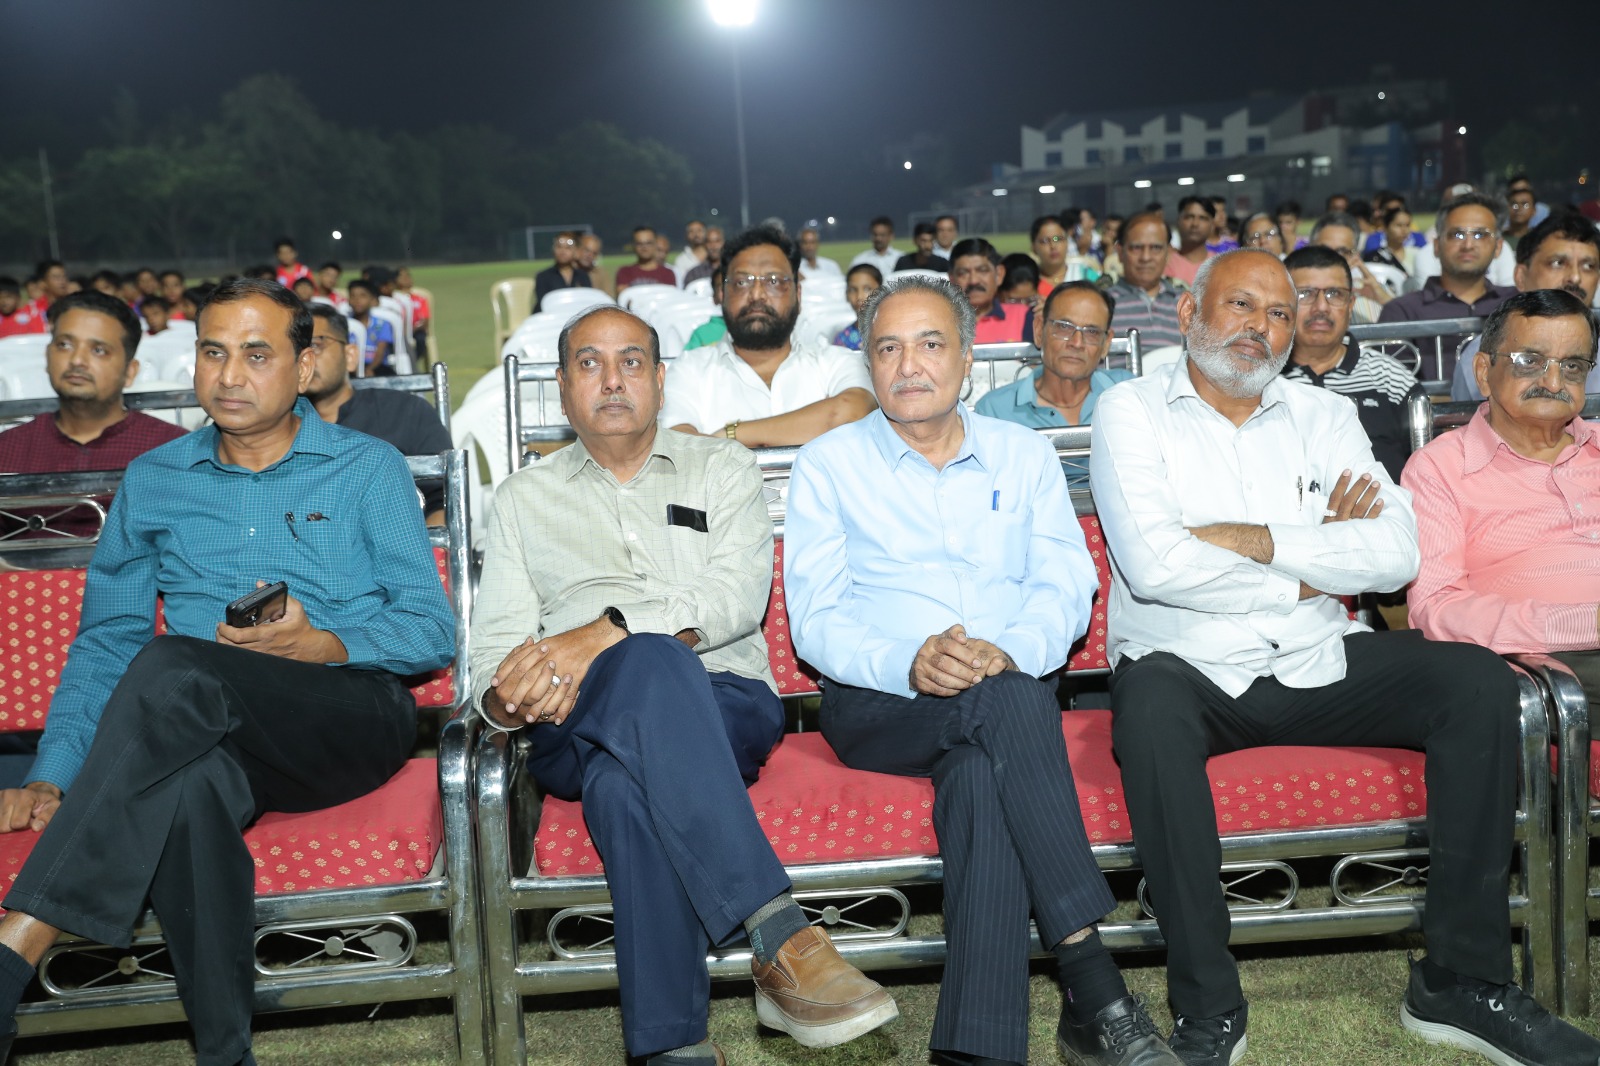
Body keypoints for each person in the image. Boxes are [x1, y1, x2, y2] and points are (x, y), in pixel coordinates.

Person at [1089, 248, 1597, 1066]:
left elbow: (1396, 555)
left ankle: (1459, 982)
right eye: (1242, 305)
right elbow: (1155, 566)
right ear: (1188, 314)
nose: (1261, 327)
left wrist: (1250, 541)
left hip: (1318, 655)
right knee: (1146, 709)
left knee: (1473, 680)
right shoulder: (1131, 410)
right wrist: (1312, 560)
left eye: (1279, 314)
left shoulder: (1320, 415)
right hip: (1185, 665)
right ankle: (1208, 1006)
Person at [0, 278, 456, 1066]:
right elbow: (106, 642)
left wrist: (324, 644)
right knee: (188, 784)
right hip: (207, 731)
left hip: (350, 715)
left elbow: (430, 629)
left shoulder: (366, 467)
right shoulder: (155, 479)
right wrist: (51, 773)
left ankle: (18, 942)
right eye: (213, 352)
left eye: (256, 354)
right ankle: (225, 1053)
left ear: (304, 367)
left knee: (176, 663)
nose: (229, 375)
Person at [469, 304, 897, 1064]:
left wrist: (606, 631)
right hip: (572, 716)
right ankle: (779, 934)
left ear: (661, 381)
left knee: (624, 774)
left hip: (723, 699)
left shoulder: (721, 468)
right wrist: (512, 694)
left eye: (631, 362)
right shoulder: (521, 499)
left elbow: (733, 598)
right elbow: (492, 662)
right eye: (590, 364)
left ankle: (673, 1049)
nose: (612, 380)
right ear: (561, 386)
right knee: (645, 672)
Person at [785, 273, 1182, 1066]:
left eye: (930, 344)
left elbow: (1065, 582)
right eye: (888, 348)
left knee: (978, 773)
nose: (909, 365)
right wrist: (909, 661)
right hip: (880, 703)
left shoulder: (1020, 454)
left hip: (1001, 700)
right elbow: (817, 618)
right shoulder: (828, 465)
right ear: (868, 363)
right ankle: (1094, 985)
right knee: (1013, 705)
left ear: (968, 360)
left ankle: (975, 1049)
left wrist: (1013, 651)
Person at [1409, 291, 1600, 711]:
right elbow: (1437, 611)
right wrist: (1585, 623)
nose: (1554, 383)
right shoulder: (1440, 468)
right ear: (1483, 371)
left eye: (1572, 366)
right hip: (1543, 666)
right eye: (1529, 361)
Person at [661, 226, 875, 447]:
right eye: (742, 282)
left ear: (798, 295)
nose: (757, 295)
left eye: (773, 281)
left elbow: (852, 413)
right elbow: (679, 446)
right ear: (722, 295)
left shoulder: (837, 362)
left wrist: (732, 433)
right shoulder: (690, 369)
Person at [0, 290, 188, 540]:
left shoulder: (176, 452)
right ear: (47, 356)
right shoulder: (7, 450)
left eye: (98, 350)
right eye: (64, 345)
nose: (77, 360)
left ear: (130, 372)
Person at [1280, 246, 1420, 481]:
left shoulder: (1390, 379)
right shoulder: (1264, 380)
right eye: (1305, 294)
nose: (1321, 307)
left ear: (1351, 303)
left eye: (1335, 294)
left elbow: (1424, 468)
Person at [303, 305, 451, 524]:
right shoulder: (271, 428)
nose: (304, 359)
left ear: (350, 355)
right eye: (294, 349)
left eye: (316, 345)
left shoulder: (405, 412)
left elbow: (444, 501)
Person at [978, 281, 1131, 485]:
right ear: (1039, 330)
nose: (1077, 343)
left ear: (1106, 343)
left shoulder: (1126, 394)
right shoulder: (994, 412)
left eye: (1091, 332)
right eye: (1064, 327)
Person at [1452, 210, 1600, 401]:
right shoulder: (1487, 354)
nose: (1575, 277)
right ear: (1521, 276)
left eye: (1588, 266)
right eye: (1558, 263)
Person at [1380, 193, 1517, 379]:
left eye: (1480, 235)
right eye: (1457, 235)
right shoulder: (1402, 313)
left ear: (1498, 247)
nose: (1468, 245)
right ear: (1436, 246)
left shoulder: (1517, 306)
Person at [1105, 212, 1185, 349]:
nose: (1146, 257)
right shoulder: (1103, 305)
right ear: (1120, 252)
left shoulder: (1187, 305)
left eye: (1155, 248)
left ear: (1168, 253)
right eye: (1136, 248)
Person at [1310, 211, 1393, 324]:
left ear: (1355, 256)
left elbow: (1407, 328)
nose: (1333, 257)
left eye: (1342, 251)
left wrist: (1385, 301)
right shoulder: (1295, 290)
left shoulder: (1371, 289)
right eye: (1325, 250)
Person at [951, 238, 1026, 343]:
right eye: (963, 273)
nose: (973, 281)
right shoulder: (938, 321)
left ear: (999, 274)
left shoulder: (1025, 317)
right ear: (951, 279)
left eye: (982, 270)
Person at [1163, 197, 1215, 288]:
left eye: (1202, 218)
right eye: (1189, 217)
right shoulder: (1163, 263)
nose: (1195, 224)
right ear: (1178, 221)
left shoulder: (1220, 264)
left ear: (1212, 225)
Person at [534, 231, 592, 311]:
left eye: (568, 248)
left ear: (575, 251)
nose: (563, 251)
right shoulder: (543, 277)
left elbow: (587, 301)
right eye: (559, 247)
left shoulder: (583, 276)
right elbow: (544, 303)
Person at [832, 263, 881, 351]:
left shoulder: (895, 331)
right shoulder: (842, 340)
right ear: (846, 295)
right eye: (853, 290)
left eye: (867, 289)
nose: (859, 296)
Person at [615, 226, 676, 293]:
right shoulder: (625, 272)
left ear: (656, 244)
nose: (644, 247)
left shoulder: (667, 274)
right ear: (633, 246)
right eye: (639, 244)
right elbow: (623, 295)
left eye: (648, 243)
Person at [1364, 205, 1418, 279]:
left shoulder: (1417, 254)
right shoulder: (1376, 257)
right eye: (1399, 225)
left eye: (1407, 225)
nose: (1404, 230)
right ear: (1386, 227)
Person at [1031, 214, 1072, 295]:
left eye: (1057, 239)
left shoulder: (1086, 275)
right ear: (1034, 247)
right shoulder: (1029, 282)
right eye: (1045, 241)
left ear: (1067, 243)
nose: (1053, 246)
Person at [672, 219, 710, 284]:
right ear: (686, 235)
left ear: (706, 233)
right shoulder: (681, 260)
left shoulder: (714, 255)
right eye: (691, 231)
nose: (696, 235)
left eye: (699, 230)